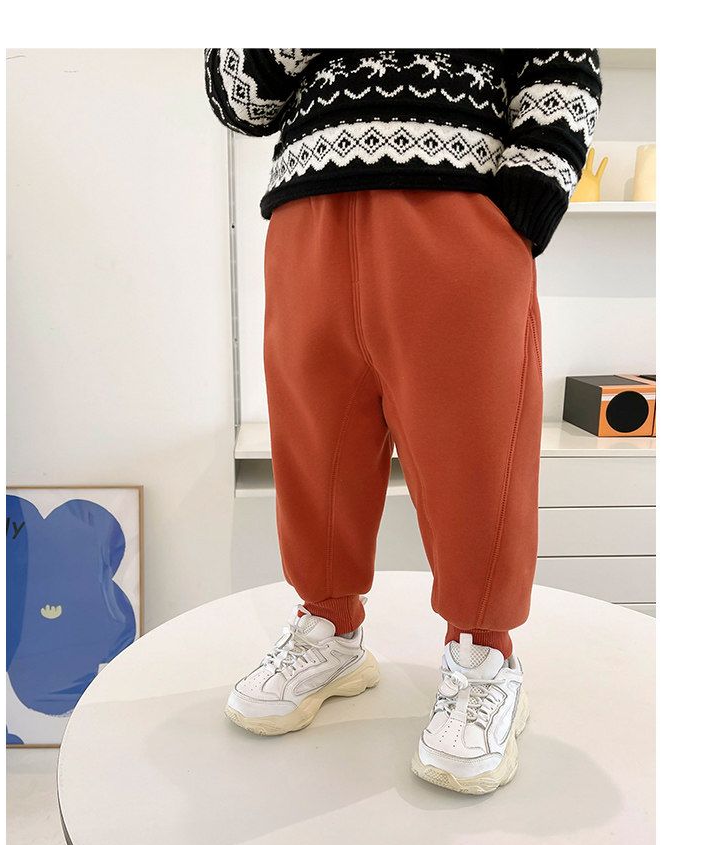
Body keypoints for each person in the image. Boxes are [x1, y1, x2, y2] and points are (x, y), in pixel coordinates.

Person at [203, 48, 602, 794]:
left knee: (473, 451)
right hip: (307, 208)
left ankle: (483, 656)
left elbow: (563, 57)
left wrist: (521, 208)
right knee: (313, 445)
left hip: (455, 204)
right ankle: (331, 629)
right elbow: (239, 98)